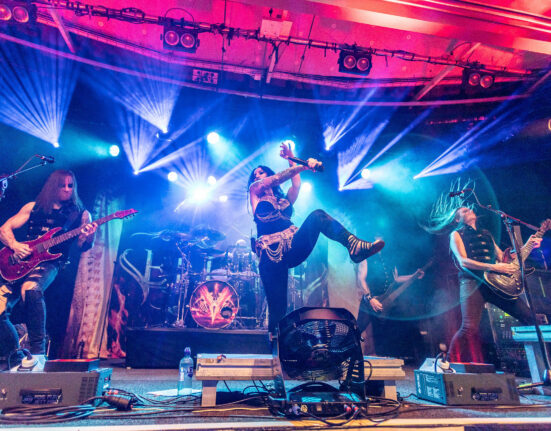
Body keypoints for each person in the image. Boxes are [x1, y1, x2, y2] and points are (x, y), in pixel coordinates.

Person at [248, 143, 384, 335]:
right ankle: (276, 350)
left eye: (261, 172)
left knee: (318, 216)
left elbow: (296, 184)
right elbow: (276, 179)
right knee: (278, 308)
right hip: (270, 255)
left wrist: (292, 156)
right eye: (255, 174)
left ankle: (354, 245)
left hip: (291, 246)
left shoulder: (284, 200)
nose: (257, 175)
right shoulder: (255, 191)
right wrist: (305, 165)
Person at [427, 192, 542, 362]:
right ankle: (448, 363)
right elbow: (463, 261)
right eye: (464, 211)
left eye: (468, 209)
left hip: (495, 283)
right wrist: (493, 266)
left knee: (530, 317)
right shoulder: (456, 235)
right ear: (458, 219)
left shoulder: (486, 234)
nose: (469, 211)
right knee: (469, 328)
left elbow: (503, 257)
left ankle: (541, 364)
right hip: (472, 283)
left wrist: (528, 245)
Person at [0, 169, 97, 369]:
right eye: (63, 185)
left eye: (71, 186)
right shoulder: (32, 207)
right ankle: (16, 360)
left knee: (31, 289)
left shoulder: (81, 214)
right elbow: (4, 229)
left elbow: (83, 246)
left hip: (49, 263)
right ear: (53, 186)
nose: (67, 189)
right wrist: (16, 246)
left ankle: (38, 353)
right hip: (19, 261)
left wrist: (89, 236)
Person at [355, 248, 425, 356]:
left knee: (381, 332)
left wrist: (414, 275)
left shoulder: (389, 258)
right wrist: (370, 298)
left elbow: (396, 279)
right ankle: (344, 357)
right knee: (358, 329)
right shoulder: (366, 256)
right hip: (370, 300)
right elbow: (361, 279)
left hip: (384, 302)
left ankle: (384, 360)